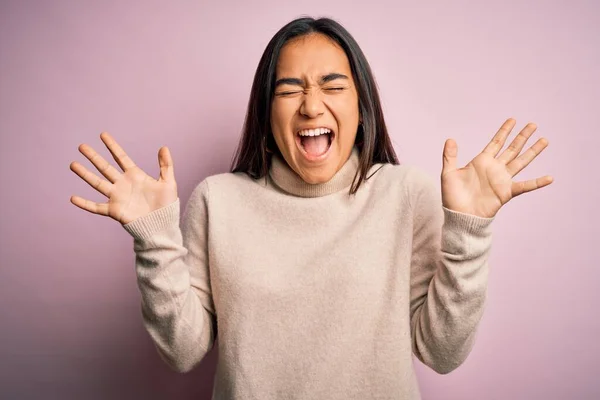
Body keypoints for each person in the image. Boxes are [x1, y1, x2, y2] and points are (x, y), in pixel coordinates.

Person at [69, 16, 553, 400]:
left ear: (361, 105)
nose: (311, 105)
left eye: (333, 85)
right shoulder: (218, 201)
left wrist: (468, 232)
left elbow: (441, 353)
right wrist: (154, 240)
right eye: (289, 89)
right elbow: (182, 352)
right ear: (267, 108)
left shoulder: (405, 194)